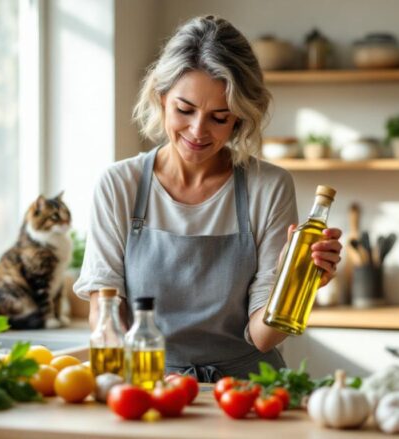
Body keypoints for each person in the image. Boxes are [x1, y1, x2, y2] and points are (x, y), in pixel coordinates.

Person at [74, 15, 342, 382]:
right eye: (184, 110)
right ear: (161, 97)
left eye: (219, 117)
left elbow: (263, 337)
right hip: (150, 384)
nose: (198, 131)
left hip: (246, 391)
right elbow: (105, 315)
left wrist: (293, 284)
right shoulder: (120, 185)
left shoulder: (269, 187)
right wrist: (139, 381)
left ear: (239, 119)